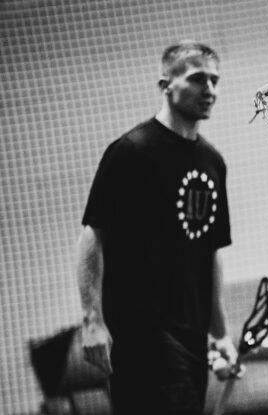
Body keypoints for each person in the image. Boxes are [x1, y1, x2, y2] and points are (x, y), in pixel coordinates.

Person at [76, 40, 237, 414]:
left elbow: (210, 252)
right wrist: (92, 322)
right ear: (165, 83)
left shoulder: (213, 161)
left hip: (192, 333)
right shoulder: (132, 151)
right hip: (141, 331)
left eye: (215, 80)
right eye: (198, 79)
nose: (210, 90)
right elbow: (92, 237)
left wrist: (220, 333)